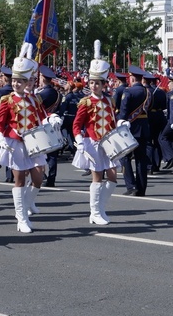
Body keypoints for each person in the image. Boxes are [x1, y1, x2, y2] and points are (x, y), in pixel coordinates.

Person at [0, 44, 61, 233]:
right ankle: (21, 217)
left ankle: (26, 205)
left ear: (27, 82)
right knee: (20, 180)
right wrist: (0, 138)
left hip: (35, 143)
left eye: (20, 81)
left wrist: (52, 118)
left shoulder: (34, 99)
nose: (16, 84)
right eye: (15, 80)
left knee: (38, 177)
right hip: (16, 142)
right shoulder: (7, 100)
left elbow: (41, 116)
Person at [71, 40, 118, 225]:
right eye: (91, 82)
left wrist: (120, 123)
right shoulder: (86, 103)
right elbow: (76, 124)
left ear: (104, 84)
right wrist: (79, 140)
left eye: (97, 83)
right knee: (97, 177)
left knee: (113, 177)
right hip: (93, 143)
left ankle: (100, 208)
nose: (94, 86)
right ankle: (95, 212)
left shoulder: (109, 102)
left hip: (109, 143)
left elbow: (112, 121)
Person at [117, 66, 152, 196]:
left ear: (131, 78)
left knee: (125, 157)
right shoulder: (148, 92)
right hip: (143, 128)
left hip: (130, 129)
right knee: (141, 159)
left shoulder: (128, 92)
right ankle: (142, 188)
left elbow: (124, 112)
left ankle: (131, 186)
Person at [37, 65, 62, 187]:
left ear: (42, 78)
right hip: (55, 124)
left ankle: (42, 174)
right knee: (53, 154)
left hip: (44, 124)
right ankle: (51, 178)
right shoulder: (57, 93)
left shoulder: (42, 94)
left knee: (40, 152)